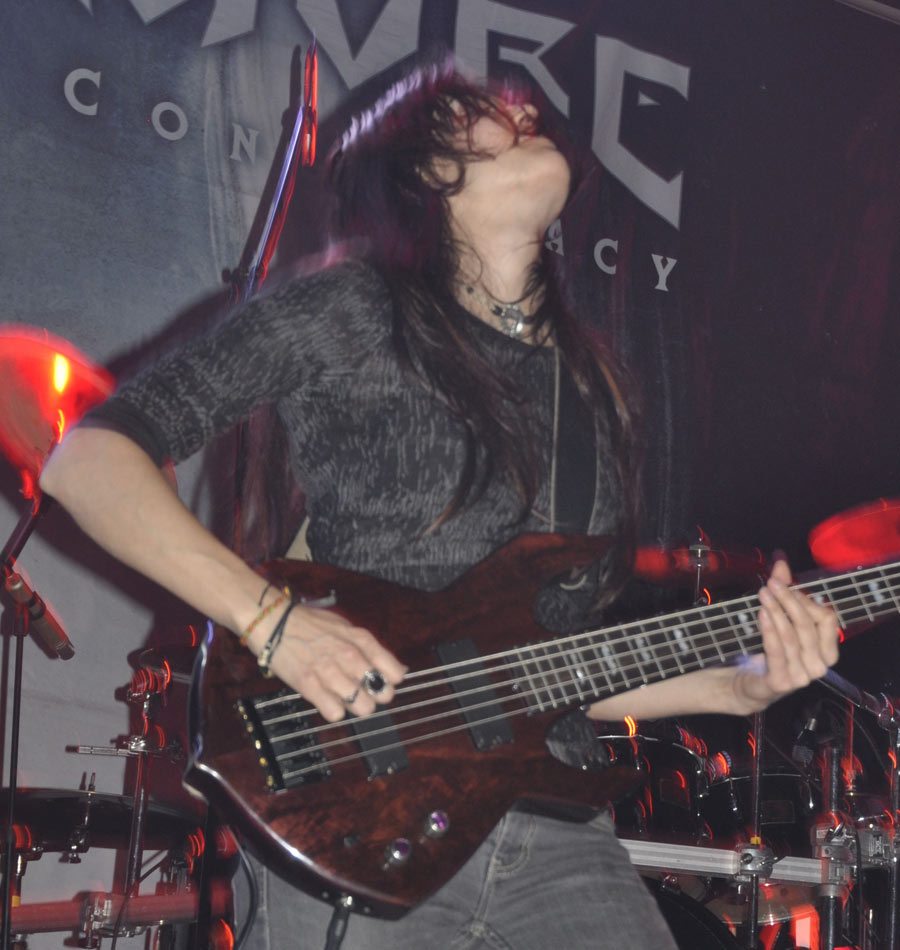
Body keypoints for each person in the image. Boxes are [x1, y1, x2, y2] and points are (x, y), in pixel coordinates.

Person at [39, 59, 839, 950]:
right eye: (486, 113)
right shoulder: (352, 308)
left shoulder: (595, 387)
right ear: (425, 171)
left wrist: (740, 683)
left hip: (558, 831)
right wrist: (273, 622)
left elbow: (556, 661)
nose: (526, 112)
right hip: (356, 809)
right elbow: (89, 461)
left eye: (527, 112)